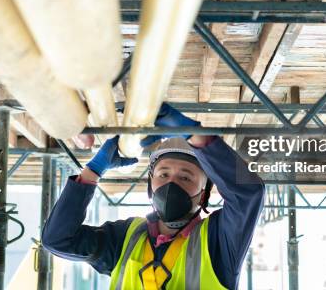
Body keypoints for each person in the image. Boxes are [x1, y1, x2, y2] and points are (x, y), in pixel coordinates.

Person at [41, 103, 265, 289]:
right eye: (163, 173)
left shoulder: (218, 242)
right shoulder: (125, 238)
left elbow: (248, 195)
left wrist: (198, 137)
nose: (171, 183)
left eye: (186, 177)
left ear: (204, 195)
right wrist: (93, 171)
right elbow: (59, 240)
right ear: (150, 186)